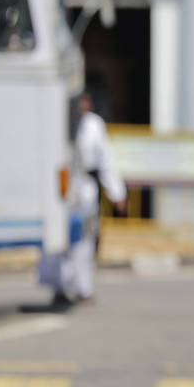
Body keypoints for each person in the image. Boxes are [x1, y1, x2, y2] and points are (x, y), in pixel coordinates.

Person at [38, 92, 126, 307]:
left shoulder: (94, 125)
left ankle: (83, 288)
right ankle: (59, 287)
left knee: (84, 240)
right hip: (57, 188)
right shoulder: (53, 118)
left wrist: (117, 193)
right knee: (57, 239)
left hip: (84, 188)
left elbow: (106, 161)